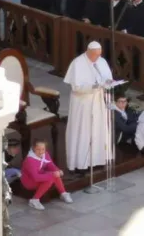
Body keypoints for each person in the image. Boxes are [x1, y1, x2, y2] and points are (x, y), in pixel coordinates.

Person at [63, 41, 112, 172]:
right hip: (82, 103)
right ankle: (80, 163)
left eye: (99, 55)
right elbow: (76, 87)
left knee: (97, 129)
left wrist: (109, 83)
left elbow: (108, 79)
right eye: (95, 55)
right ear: (88, 51)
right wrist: (93, 86)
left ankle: (97, 159)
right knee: (83, 131)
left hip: (97, 101)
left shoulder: (101, 61)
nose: (98, 58)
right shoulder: (77, 63)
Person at [20, 140, 73, 210]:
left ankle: (63, 193)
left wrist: (58, 170)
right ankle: (34, 200)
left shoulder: (45, 154)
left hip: (40, 175)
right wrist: (53, 174)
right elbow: (36, 177)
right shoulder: (30, 160)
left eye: (43, 149)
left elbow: (50, 164)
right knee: (51, 177)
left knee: (54, 175)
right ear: (33, 149)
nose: (41, 151)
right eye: (38, 149)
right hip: (29, 181)